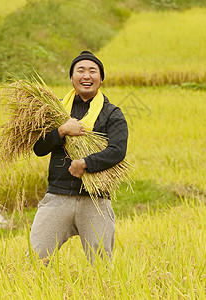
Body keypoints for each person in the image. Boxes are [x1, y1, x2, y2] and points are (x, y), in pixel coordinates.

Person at [30, 50, 128, 265]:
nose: (87, 75)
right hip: (58, 196)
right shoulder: (54, 112)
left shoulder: (112, 113)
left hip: (95, 199)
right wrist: (61, 130)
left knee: (101, 265)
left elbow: (118, 150)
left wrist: (86, 163)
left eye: (93, 71)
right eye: (80, 70)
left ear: (101, 78)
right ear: (71, 77)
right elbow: (39, 148)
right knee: (36, 260)